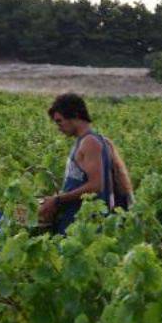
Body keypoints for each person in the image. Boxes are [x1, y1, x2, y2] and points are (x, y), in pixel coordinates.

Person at [39, 93, 133, 234]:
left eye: (60, 121)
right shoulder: (85, 141)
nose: (58, 127)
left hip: (85, 225)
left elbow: (96, 186)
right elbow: (80, 182)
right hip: (75, 222)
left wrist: (57, 200)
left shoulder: (90, 142)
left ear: (75, 116)